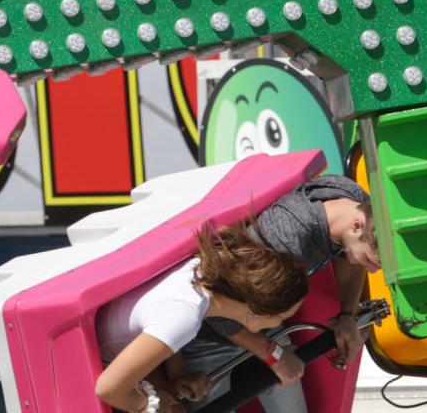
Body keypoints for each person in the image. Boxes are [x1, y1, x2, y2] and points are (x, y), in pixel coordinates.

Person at [176, 173, 383, 413]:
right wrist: (272, 354)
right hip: (210, 334)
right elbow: (215, 304)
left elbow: (347, 254)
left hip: (267, 326)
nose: (372, 270)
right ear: (357, 225)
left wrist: (347, 314)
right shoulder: (286, 238)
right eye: (369, 260)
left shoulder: (352, 199)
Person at [95, 221, 310, 413]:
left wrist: (176, 374)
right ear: (256, 315)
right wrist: (152, 404)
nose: (280, 324)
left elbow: (159, 321)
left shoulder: (203, 271)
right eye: (281, 317)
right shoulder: (186, 315)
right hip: (99, 366)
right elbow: (108, 388)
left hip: (119, 352)